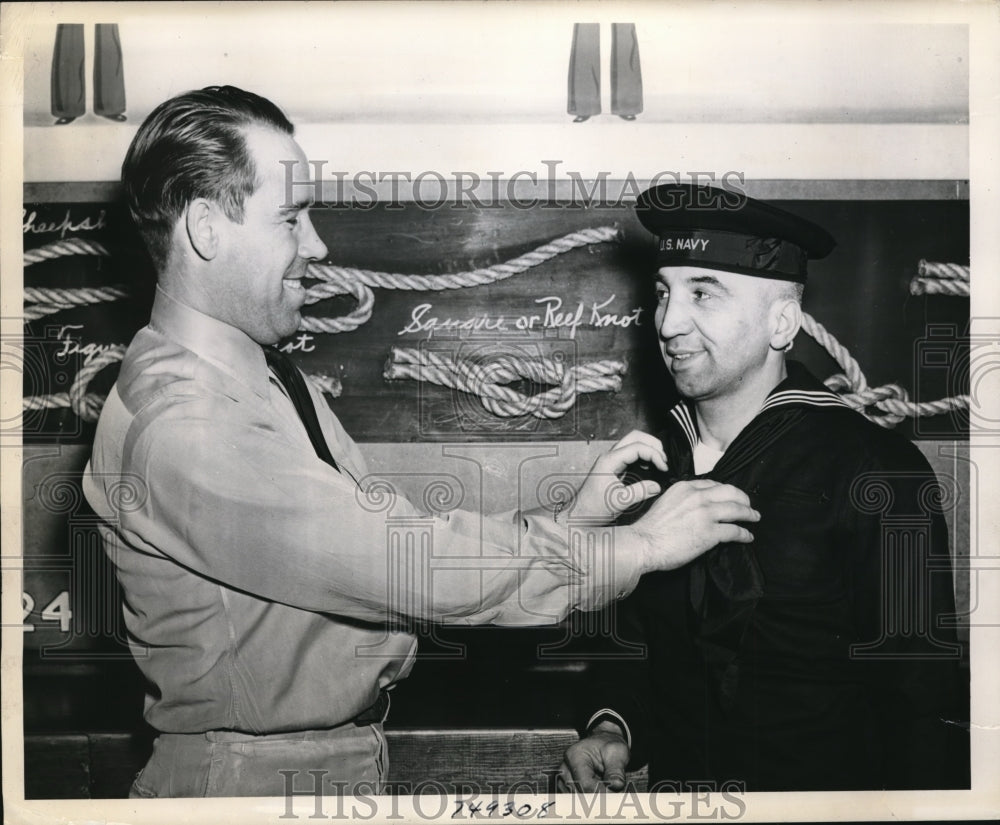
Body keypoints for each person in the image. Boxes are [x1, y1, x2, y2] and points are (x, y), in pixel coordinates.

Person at [81, 88, 761, 798]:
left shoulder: (266, 378)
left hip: (319, 767)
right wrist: (637, 548)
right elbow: (412, 565)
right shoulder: (186, 423)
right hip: (249, 786)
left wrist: (570, 526)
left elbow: (391, 533)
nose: (316, 245)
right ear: (206, 230)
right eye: (290, 217)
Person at [560, 183, 969, 792]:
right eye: (665, 293)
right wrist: (613, 726)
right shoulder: (644, 472)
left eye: (704, 292)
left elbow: (920, 703)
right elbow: (631, 645)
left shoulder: (878, 471)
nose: (669, 322)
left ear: (782, 322)